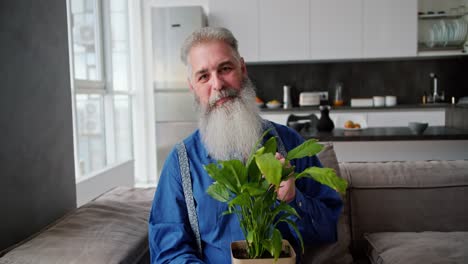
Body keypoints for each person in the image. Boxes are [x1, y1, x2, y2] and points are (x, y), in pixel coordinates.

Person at [148, 27, 343, 264]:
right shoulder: (180, 163)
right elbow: (168, 253)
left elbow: (328, 229)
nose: (218, 84)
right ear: (193, 87)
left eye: (225, 69)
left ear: (242, 69)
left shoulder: (289, 143)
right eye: (204, 76)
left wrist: (294, 198)